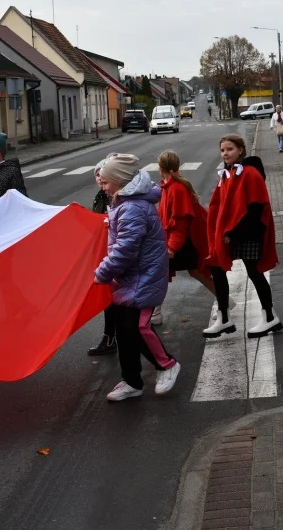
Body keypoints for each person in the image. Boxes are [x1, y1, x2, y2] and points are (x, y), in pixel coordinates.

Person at [94, 154, 180, 401]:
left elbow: (126, 249)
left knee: (139, 327)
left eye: (107, 180)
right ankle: (131, 380)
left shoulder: (131, 207)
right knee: (124, 330)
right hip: (130, 278)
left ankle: (167, 364)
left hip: (144, 278)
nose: (103, 184)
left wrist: (102, 273)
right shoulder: (124, 203)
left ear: (120, 181)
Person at [205, 134, 282, 338]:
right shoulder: (227, 174)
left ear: (241, 150)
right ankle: (224, 317)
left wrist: (233, 233)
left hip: (248, 232)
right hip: (233, 232)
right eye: (222, 150)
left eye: (230, 149)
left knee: (254, 271)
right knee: (217, 265)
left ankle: (269, 316)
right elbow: (220, 206)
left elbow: (256, 209)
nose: (225, 153)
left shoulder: (250, 173)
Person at [157, 151, 226, 308]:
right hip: (183, 239)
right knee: (194, 271)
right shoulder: (171, 186)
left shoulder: (176, 189)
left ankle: (153, 312)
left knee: (159, 273)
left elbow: (180, 222)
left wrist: (171, 247)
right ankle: (226, 300)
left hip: (184, 240)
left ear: (161, 168)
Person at [88, 155, 118, 356]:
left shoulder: (118, 196)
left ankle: (113, 338)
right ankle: (110, 337)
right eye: (97, 175)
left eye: (102, 175)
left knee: (116, 299)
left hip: (118, 251)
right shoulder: (100, 197)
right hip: (106, 251)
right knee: (110, 298)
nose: (99, 178)